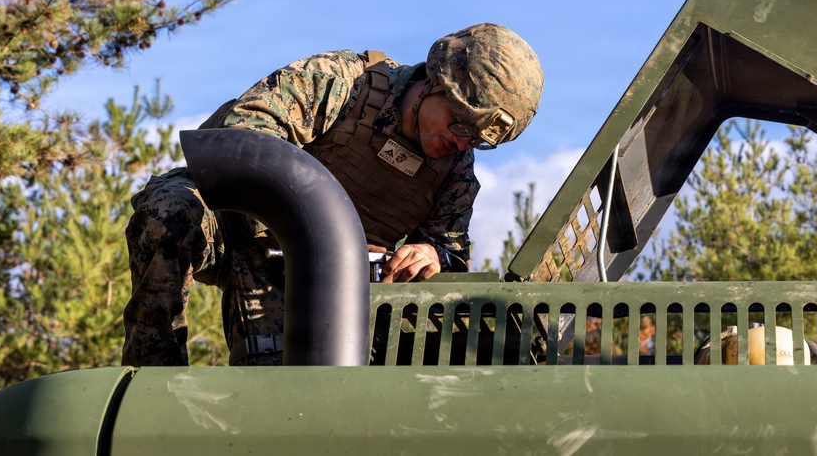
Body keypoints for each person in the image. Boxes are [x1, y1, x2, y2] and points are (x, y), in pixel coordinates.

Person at [121, 23, 544, 366]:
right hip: (237, 227)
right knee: (169, 210)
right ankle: (150, 377)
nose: (462, 141)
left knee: (283, 384)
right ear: (437, 81)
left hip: (324, 281)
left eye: (477, 139)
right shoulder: (344, 83)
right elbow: (240, 139)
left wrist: (432, 255)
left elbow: (449, 250)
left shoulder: (456, 172)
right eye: (459, 122)